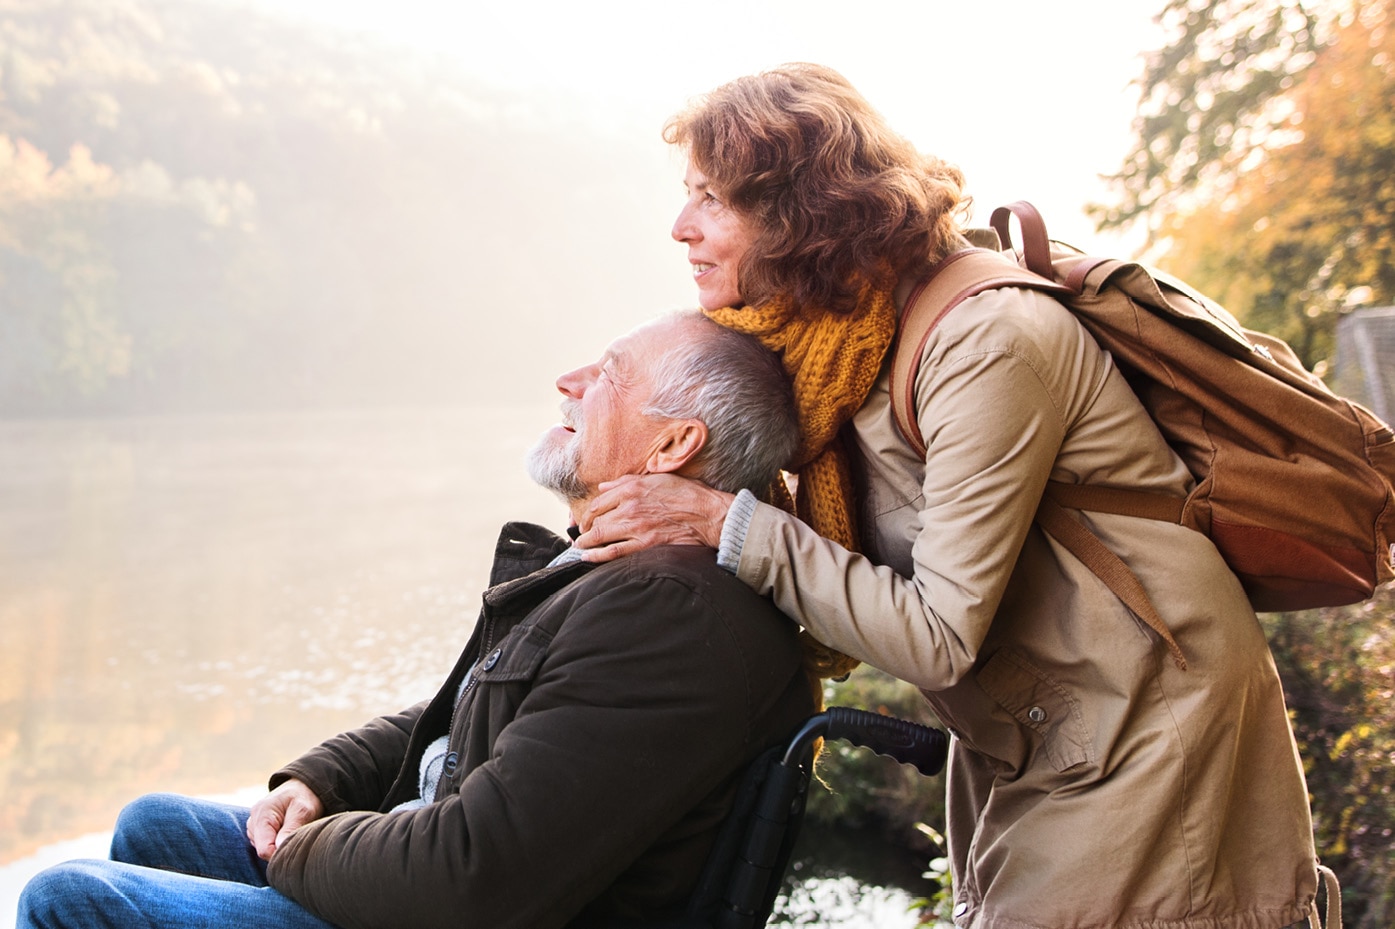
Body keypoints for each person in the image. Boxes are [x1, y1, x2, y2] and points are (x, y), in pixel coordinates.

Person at [574, 64, 1322, 929]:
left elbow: (937, 635)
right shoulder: (840, 347)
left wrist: (722, 523)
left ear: (798, 213)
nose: (679, 227)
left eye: (711, 199)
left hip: (1149, 731)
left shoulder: (984, 340)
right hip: (1043, 727)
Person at [17, 311, 815, 929]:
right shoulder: (617, 567)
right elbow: (472, 703)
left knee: (69, 898)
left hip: (451, 905)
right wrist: (322, 778)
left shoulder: (667, 612)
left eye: (606, 374)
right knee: (151, 823)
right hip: (430, 862)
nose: (568, 380)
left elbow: (472, 877)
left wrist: (304, 848)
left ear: (674, 443)